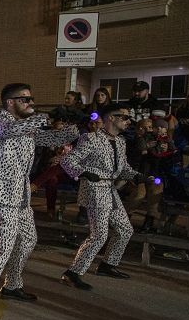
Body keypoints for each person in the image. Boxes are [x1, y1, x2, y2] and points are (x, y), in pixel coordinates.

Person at [0, 84, 78, 320]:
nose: (30, 103)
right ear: (9, 102)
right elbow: (12, 131)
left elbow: (52, 138)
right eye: (25, 99)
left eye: (31, 99)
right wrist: (43, 117)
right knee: (1, 248)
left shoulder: (29, 128)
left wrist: (73, 126)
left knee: (27, 240)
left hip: (21, 195)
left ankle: (12, 285)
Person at [59, 103, 142, 289]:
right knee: (99, 235)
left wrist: (138, 176)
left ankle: (107, 265)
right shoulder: (91, 138)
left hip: (110, 189)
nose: (129, 121)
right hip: (95, 189)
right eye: (125, 117)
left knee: (125, 229)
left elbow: (123, 168)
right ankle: (72, 273)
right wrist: (83, 172)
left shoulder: (120, 142)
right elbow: (68, 160)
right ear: (111, 117)